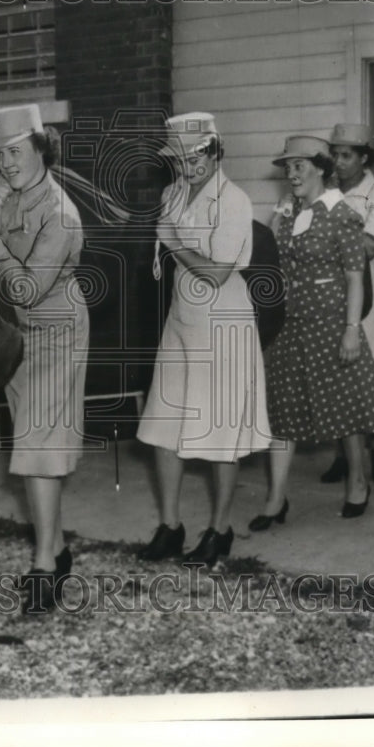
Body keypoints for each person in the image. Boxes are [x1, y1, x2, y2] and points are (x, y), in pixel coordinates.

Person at [0, 104, 88, 615]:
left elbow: (28, 288)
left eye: (16, 152)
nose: (6, 164)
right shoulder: (4, 190)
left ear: (41, 149)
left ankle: (44, 566)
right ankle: (55, 551)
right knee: (35, 444)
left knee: (38, 444)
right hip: (15, 331)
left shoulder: (59, 212)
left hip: (54, 328)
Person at [136, 112, 272, 567]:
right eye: (180, 158)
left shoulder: (234, 200)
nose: (188, 164)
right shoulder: (173, 192)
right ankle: (170, 526)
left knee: (221, 432)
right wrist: (172, 237)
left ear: (215, 151)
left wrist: (173, 241)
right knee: (163, 426)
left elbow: (214, 273)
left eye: (197, 155)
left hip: (223, 324)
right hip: (181, 322)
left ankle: (220, 529)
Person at [252, 135, 374, 528]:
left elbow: (355, 277)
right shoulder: (287, 212)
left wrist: (351, 330)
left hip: (331, 322)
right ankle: (276, 500)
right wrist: (279, 220)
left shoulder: (342, 214)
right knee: (282, 412)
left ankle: (358, 482)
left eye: (299, 166)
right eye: (287, 167)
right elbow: (271, 261)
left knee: (345, 410)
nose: (291, 174)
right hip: (289, 323)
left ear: (320, 168)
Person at [321, 123, 374, 484]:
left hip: (365, 289)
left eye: (346, 155)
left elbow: (370, 245)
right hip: (329, 289)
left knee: (370, 372)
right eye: (334, 155)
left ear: (364, 158)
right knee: (337, 372)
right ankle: (343, 455)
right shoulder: (325, 191)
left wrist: (326, 241)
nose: (338, 162)